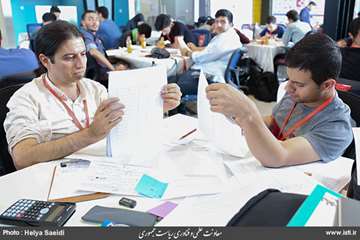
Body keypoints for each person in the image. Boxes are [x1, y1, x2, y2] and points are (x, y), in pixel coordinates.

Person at [4, 20, 181, 170]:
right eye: (69, 57)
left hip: (101, 171)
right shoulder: (27, 97)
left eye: (83, 54)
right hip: (53, 181)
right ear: (45, 60)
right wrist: (90, 135)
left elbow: (125, 125)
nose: (81, 64)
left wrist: (158, 106)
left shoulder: (96, 89)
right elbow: (22, 158)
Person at [206, 33, 352, 167]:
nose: (288, 88)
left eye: (298, 84)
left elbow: (280, 157)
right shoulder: (296, 94)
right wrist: (238, 122)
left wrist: (248, 114)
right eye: (289, 79)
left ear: (327, 85)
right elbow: (274, 121)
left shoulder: (336, 127)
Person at [173, 9, 241, 96]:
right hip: (215, 72)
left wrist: (187, 52)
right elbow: (211, 51)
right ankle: (179, 107)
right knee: (175, 78)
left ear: (231, 24)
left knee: (173, 84)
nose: (218, 25)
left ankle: (178, 107)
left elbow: (201, 57)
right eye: (217, 21)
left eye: (223, 22)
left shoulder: (224, 39)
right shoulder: (231, 35)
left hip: (210, 77)